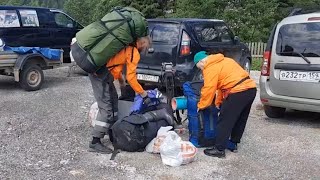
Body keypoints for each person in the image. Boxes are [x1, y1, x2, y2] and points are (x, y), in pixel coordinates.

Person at [71, 36, 151, 154]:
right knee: (106, 107)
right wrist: (143, 94)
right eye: (146, 46)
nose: (146, 49)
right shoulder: (133, 52)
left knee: (114, 102)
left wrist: (121, 81)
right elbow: (132, 78)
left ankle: (112, 132)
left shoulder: (124, 46)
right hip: (100, 75)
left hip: (102, 73)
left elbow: (115, 65)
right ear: (141, 42)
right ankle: (95, 141)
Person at [194, 51, 257, 158]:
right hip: (250, 89)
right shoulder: (224, 61)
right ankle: (233, 144)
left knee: (224, 120)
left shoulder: (209, 67)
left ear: (201, 62)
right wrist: (219, 103)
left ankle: (219, 149)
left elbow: (209, 89)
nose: (201, 69)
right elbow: (221, 87)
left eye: (199, 67)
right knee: (240, 118)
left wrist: (201, 106)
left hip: (237, 91)